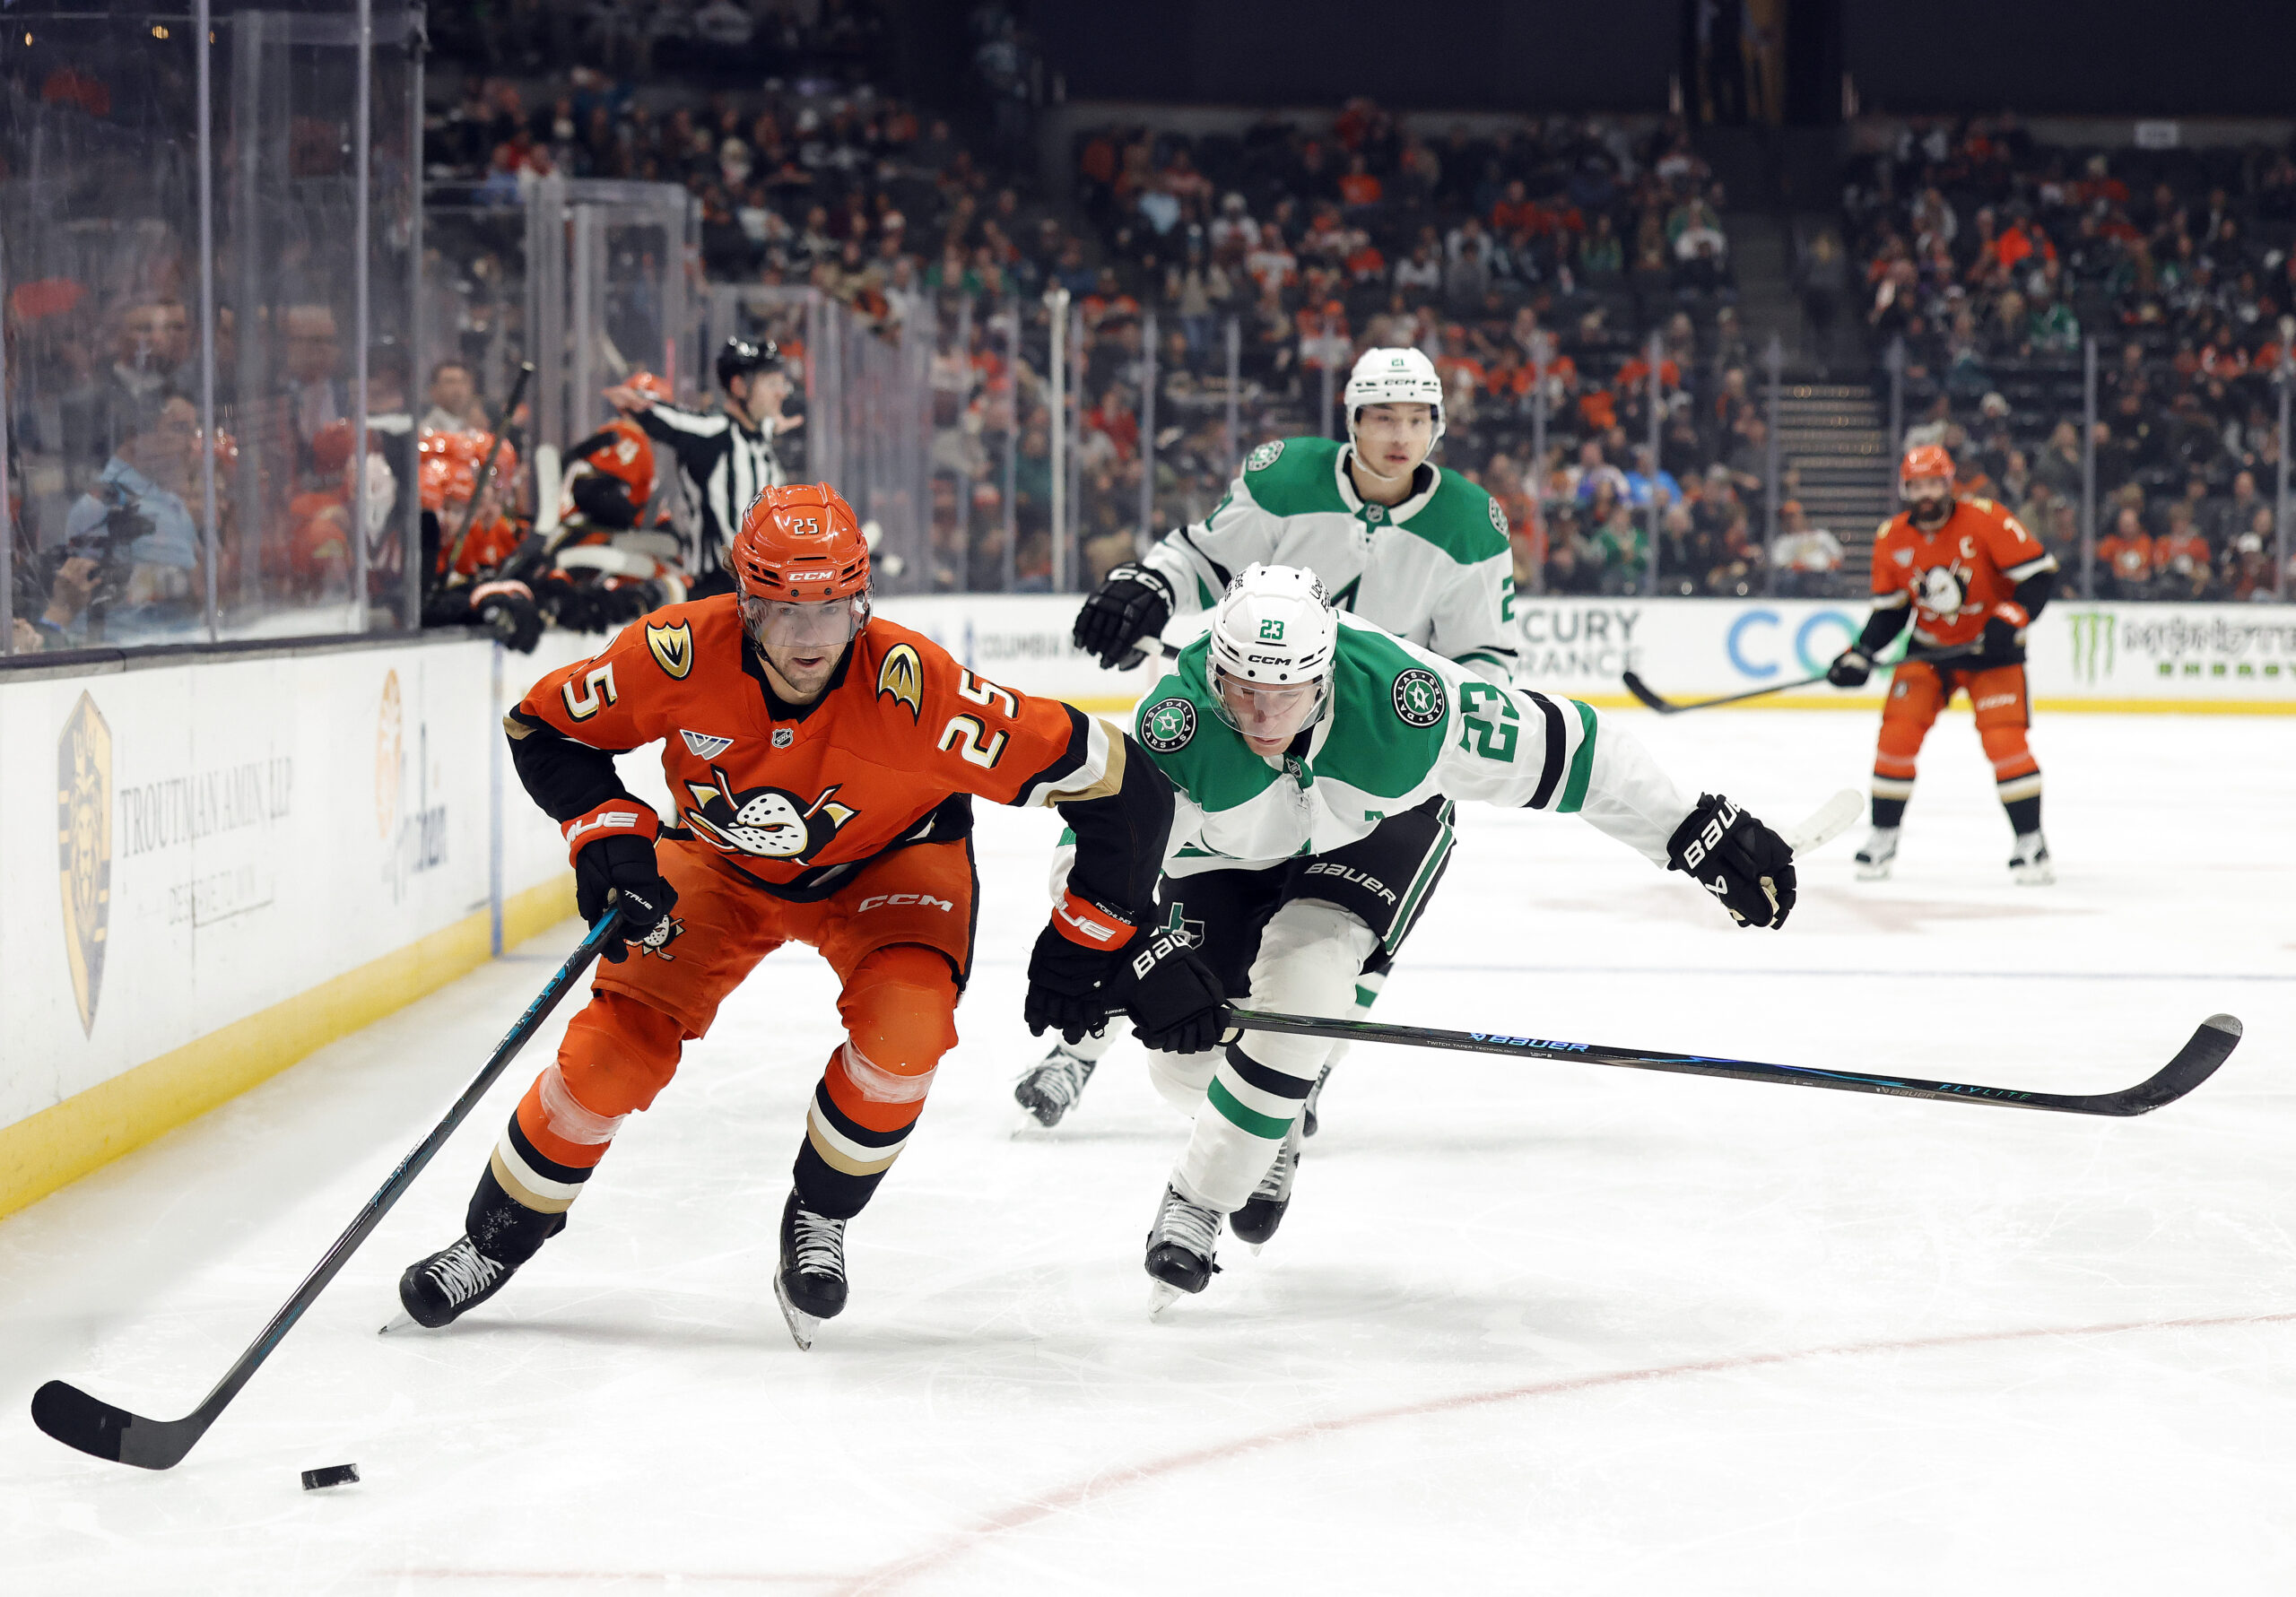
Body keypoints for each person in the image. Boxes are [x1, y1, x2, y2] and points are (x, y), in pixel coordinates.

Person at [394, 483, 1207, 1349]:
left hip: (891, 867)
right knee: (608, 1057)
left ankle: (820, 1213)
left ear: (863, 600)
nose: (811, 637)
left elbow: (1123, 784)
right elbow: (545, 728)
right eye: (784, 608)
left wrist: (1089, 942)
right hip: (718, 864)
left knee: (907, 1033)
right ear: (745, 601)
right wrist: (607, 835)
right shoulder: (673, 654)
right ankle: (495, 1238)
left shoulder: (920, 690)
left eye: (832, 607)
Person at [1074, 565, 1795, 1309]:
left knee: (1306, 982)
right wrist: (1142, 955)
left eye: (1285, 692)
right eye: (1243, 690)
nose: (1262, 716)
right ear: (1215, 667)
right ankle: (1269, 1124)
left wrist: (1690, 827)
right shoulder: (1175, 727)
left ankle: (1195, 1200)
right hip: (1227, 858)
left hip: (1377, 833)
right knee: (1183, 1066)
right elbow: (1092, 854)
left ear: (1323, 677)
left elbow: (1580, 748)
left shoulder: (1407, 703)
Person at [1020, 346, 1518, 1133]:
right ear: (1351, 419)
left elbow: (1488, 663)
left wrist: (1443, 736)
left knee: (1338, 935)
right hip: (1249, 725)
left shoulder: (1469, 526)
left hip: (1360, 758)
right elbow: (1202, 556)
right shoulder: (1285, 479)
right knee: (1161, 874)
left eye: (1418, 417)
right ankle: (1081, 1040)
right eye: (1382, 415)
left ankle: (1302, 1068)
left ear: (1439, 426)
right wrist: (1152, 582)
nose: (1400, 434)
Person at [1825, 444, 2059, 884]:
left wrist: (2009, 618)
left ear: (1950, 484)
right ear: (1905, 489)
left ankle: (2031, 842)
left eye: (1935, 482)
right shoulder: (1890, 537)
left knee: (2005, 743)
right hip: (1930, 651)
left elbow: (2040, 574)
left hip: (1991, 653)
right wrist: (1860, 652)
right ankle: (1883, 837)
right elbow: (1892, 611)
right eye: (1917, 485)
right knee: (1896, 736)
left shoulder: (1985, 518)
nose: (1927, 493)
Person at [602, 338, 788, 595]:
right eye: (771, 384)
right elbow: (669, 419)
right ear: (739, 387)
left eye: (781, 383)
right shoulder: (712, 432)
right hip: (719, 588)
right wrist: (635, 401)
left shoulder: (760, 438)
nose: (782, 392)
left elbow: (765, 427)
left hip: (767, 586)